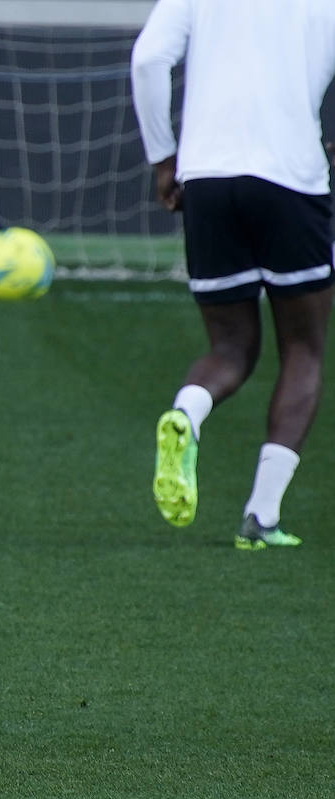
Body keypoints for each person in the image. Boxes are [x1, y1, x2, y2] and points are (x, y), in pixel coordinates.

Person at [132, 0, 335, 549]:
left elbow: (148, 58)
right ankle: (261, 516)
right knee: (303, 348)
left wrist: (163, 160)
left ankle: (186, 413)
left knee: (230, 349)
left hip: (208, 176)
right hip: (291, 176)